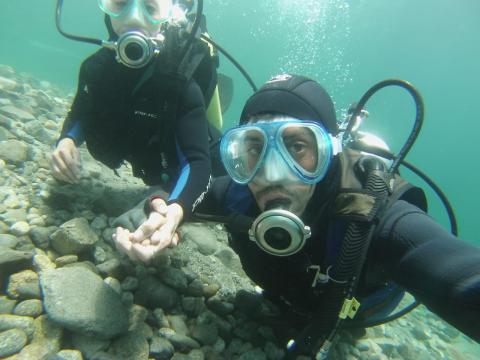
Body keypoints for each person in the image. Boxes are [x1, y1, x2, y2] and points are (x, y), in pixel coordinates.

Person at [115, 74, 480, 357]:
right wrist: (163, 214)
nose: (273, 174)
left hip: (353, 313)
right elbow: (174, 198)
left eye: (298, 146)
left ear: (330, 152)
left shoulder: (377, 216)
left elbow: (459, 276)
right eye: (254, 147)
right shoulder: (239, 193)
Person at [51, 0, 224, 252]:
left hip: (179, 155)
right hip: (143, 152)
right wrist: (66, 141)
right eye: (120, 4)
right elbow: (80, 114)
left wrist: (176, 210)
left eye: (150, 8)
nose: (133, 17)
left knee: (224, 170)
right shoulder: (94, 68)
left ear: (168, 16)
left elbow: (198, 163)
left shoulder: (182, 84)